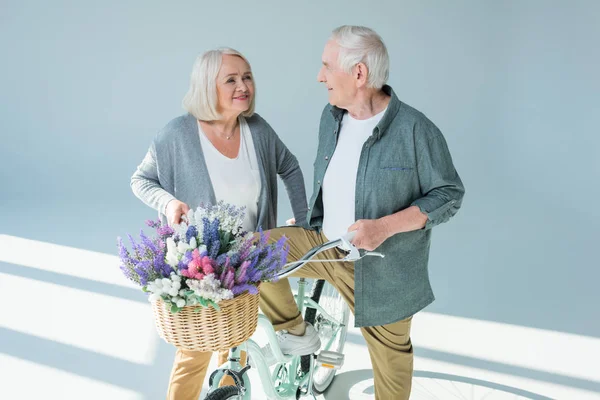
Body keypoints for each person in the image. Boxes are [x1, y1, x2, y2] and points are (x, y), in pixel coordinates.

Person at [259, 25, 465, 399]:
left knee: (390, 371)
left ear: (359, 73)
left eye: (326, 66)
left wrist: (384, 227)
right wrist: (308, 219)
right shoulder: (332, 116)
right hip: (324, 246)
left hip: (383, 272)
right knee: (251, 254)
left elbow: (449, 194)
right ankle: (297, 333)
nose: (319, 76)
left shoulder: (415, 130)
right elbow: (335, 179)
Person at [130, 47, 308, 400]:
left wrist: (302, 222)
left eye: (247, 77)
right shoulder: (177, 135)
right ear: (207, 87)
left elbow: (289, 166)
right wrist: (169, 203)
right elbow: (141, 179)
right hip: (204, 263)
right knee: (195, 352)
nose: (243, 85)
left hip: (250, 261)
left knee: (236, 345)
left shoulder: (257, 130)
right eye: (231, 79)